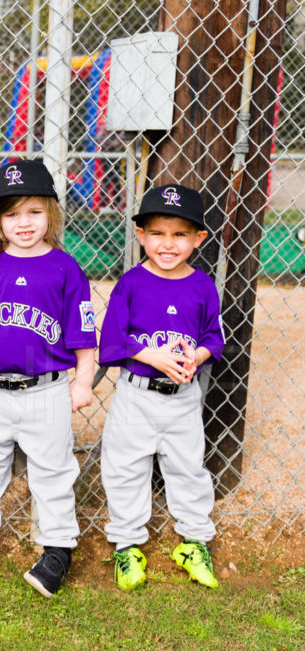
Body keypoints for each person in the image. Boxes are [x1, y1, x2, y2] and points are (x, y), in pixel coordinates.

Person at [0, 160, 96, 598]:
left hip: (47, 389)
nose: (24, 223)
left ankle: (57, 548)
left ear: (50, 212)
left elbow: (84, 337)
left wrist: (83, 381)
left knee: (53, 472)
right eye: (11, 213)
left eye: (33, 211)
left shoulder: (66, 268)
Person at [99, 184, 223, 590]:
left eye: (180, 234)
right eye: (157, 233)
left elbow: (213, 339)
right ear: (141, 236)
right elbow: (113, 342)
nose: (167, 244)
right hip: (136, 394)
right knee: (125, 468)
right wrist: (153, 356)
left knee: (188, 467)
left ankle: (193, 542)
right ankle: (127, 545)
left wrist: (196, 357)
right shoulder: (131, 283)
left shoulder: (203, 285)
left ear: (198, 238)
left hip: (183, 397)